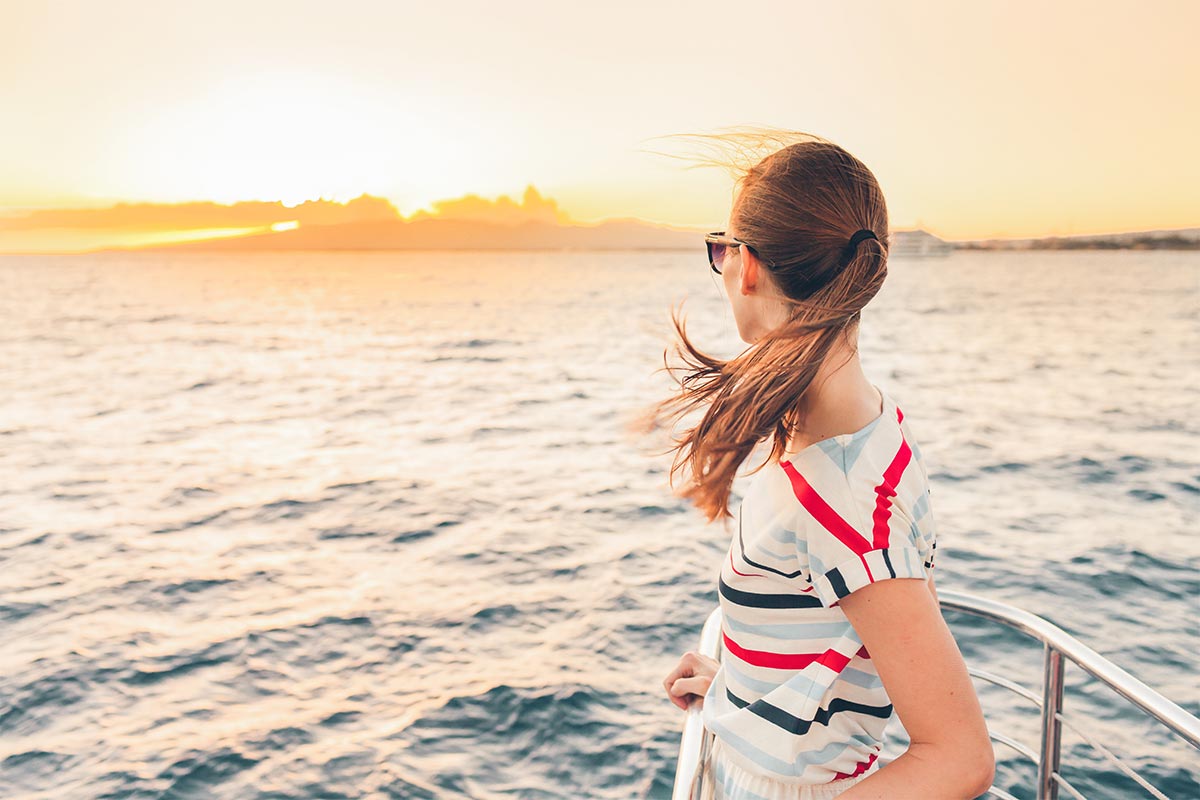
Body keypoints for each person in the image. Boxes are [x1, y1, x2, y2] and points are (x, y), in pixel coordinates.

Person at [646, 130, 995, 799]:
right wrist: (744, 692)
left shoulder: (838, 490)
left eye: (721, 250)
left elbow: (960, 756)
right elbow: (833, 630)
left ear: (745, 266)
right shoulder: (872, 426)